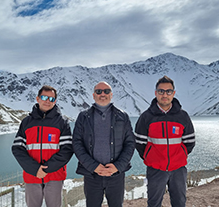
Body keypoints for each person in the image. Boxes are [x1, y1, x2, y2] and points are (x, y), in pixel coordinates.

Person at [135, 76, 195, 207]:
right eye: (161, 91)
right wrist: (150, 157)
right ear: (156, 93)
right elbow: (139, 143)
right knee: (154, 203)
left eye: (168, 91)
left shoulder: (182, 116)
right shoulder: (146, 117)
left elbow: (190, 142)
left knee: (179, 202)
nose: (165, 95)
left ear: (173, 93)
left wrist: (179, 156)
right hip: (156, 169)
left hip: (178, 169)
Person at [72, 81, 135, 207]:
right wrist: (93, 166)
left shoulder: (123, 116)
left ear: (111, 95)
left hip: (116, 175)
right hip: (92, 175)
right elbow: (77, 143)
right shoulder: (83, 117)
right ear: (93, 95)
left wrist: (117, 166)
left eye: (106, 91)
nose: (102, 94)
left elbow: (130, 143)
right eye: (98, 91)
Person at [12, 85, 73, 207]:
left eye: (51, 99)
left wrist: (46, 169)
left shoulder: (62, 122)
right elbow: (17, 148)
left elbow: (67, 149)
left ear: (55, 101)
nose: (47, 101)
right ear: (37, 98)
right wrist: (35, 169)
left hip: (54, 175)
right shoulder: (27, 122)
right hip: (32, 176)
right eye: (44, 97)